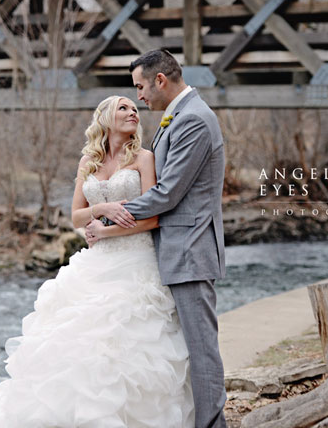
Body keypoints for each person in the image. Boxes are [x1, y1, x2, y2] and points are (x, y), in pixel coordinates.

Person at [0, 95, 195, 428]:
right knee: (78, 343)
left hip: (136, 261)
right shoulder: (88, 162)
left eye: (134, 108)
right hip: (96, 266)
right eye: (123, 107)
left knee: (125, 344)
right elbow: (77, 216)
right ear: (105, 118)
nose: (132, 112)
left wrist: (106, 232)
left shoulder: (143, 158)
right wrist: (103, 210)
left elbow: (154, 219)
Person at [87, 49, 227, 428]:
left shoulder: (194, 120)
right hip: (173, 252)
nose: (140, 97)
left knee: (201, 351)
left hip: (190, 250)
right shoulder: (178, 117)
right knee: (183, 349)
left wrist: (116, 214)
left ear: (160, 80)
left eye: (141, 87)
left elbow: (167, 193)